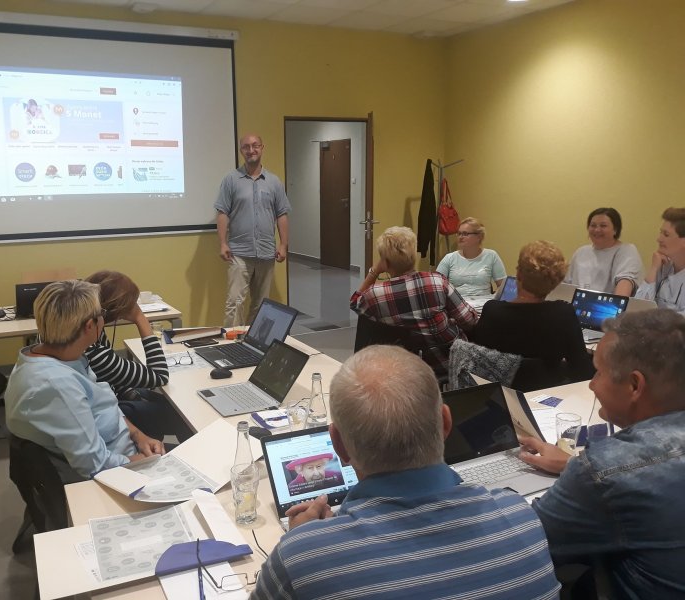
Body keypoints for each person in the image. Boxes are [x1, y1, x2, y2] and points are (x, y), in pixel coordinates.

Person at [251, 345, 560, 599]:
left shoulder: (302, 558)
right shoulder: (521, 517)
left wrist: (301, 541)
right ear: (446, 423)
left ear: (338, 446)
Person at [518, 309, 685, 599]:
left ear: (634, 385)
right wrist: (574, 465)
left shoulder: (605, 470)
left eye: (598, 372)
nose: (592, 384)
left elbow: (529, 539)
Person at [4, 280, 164, 480]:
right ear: (90, 325)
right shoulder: (57, 385)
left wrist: (138, 435)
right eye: (101, 315)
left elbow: (105, 406)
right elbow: (96, 466)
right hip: (114, 472)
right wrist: (146, 461)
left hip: (124, 449)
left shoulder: (60, 356)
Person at [351, 225, 477, 374]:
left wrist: (374, 271)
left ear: (385, 263)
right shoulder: (437, 281)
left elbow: (355, 302)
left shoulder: (375, 295)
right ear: (414, 255)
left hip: (408, 371)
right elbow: (469, 321)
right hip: (450, 364)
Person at [472, 240, 593, 389]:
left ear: (519, 274)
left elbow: (479, 362)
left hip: (499, 395)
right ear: (556, 282)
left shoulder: (492, 311)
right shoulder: (563, 314)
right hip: (547, 395)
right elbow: (581, 370)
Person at [84, 271, 179, 441]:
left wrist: (134, 395)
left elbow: (113, 378)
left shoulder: (88, 328)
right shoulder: (95, 354)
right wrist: (140, 318)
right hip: (106, 413)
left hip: (105, 398)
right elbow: (160, 376)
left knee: (167, 401)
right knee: (175, 414)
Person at [215, 133, 290, 327]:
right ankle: (233, 341)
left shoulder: (274, 182)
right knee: (235, 302)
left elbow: (282, 214)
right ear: (241, 151)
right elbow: (222, 212)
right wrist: (222, 243)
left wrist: (283, 244)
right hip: (239, 252)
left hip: (266, 253)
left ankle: (250, 340)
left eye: (255, 145)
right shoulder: (231, 180)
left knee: (260, 304)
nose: (251, 150)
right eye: (246, 147)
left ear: (262, 148)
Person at [565, 207, 643, 296]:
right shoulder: (581, 252)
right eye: (593, 225)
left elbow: (624, 288)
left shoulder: (627, 251)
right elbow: (566, 284)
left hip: (607, 304)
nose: (597, 230)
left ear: (615, 229)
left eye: (603, 226)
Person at [435, 217, 507, 297]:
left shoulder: (491, 255)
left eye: (465, 234)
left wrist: (494, 299)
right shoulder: (449, 258)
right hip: (457, 303)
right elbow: (435, 285)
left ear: (479, 236)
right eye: (459, 233)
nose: (460, 237)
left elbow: (502, 286)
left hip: (484, 302)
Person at [635, 206, 685, 314]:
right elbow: (637, 310)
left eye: (666, 235)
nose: (659, 239)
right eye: (660, 233)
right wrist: (653, 269)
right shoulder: (663, 266)